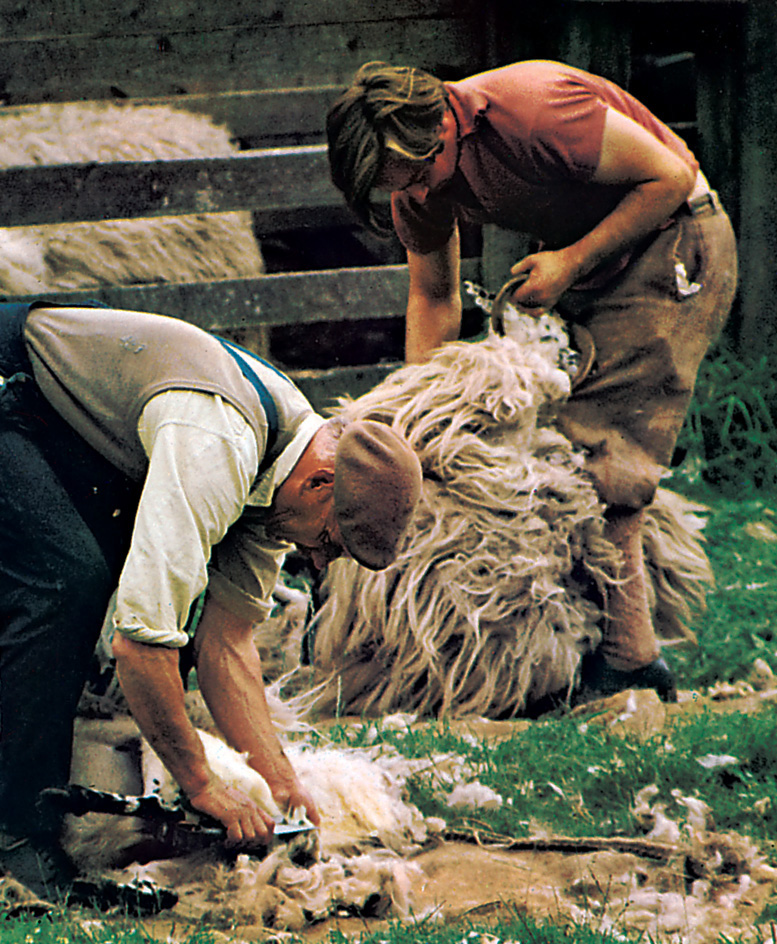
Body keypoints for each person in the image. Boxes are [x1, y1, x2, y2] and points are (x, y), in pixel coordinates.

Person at [326, 59, 738, 705]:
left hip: (675, 238)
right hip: (598, 262)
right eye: (391, 182)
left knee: (605, 453)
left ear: (440, 125)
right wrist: (414, 418)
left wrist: (568, 262)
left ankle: (632, 660)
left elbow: (670, 175)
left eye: (415, 172)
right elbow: (433, 297)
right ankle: (568, 647)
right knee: (565, 454)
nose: (411, 190)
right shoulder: (418, 182)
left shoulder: (533, 109)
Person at [0, 300, 422, 905]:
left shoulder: (281, 474)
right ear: (320, 483)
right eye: (331, 540)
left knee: (88, 576)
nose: (321, 561)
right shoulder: (219, 442)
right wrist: (200, 782)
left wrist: (278, 782)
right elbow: (140, 644)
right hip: (11, 383)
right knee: (64, 579)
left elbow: (226, 645)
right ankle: (17, 834)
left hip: (51, 423)